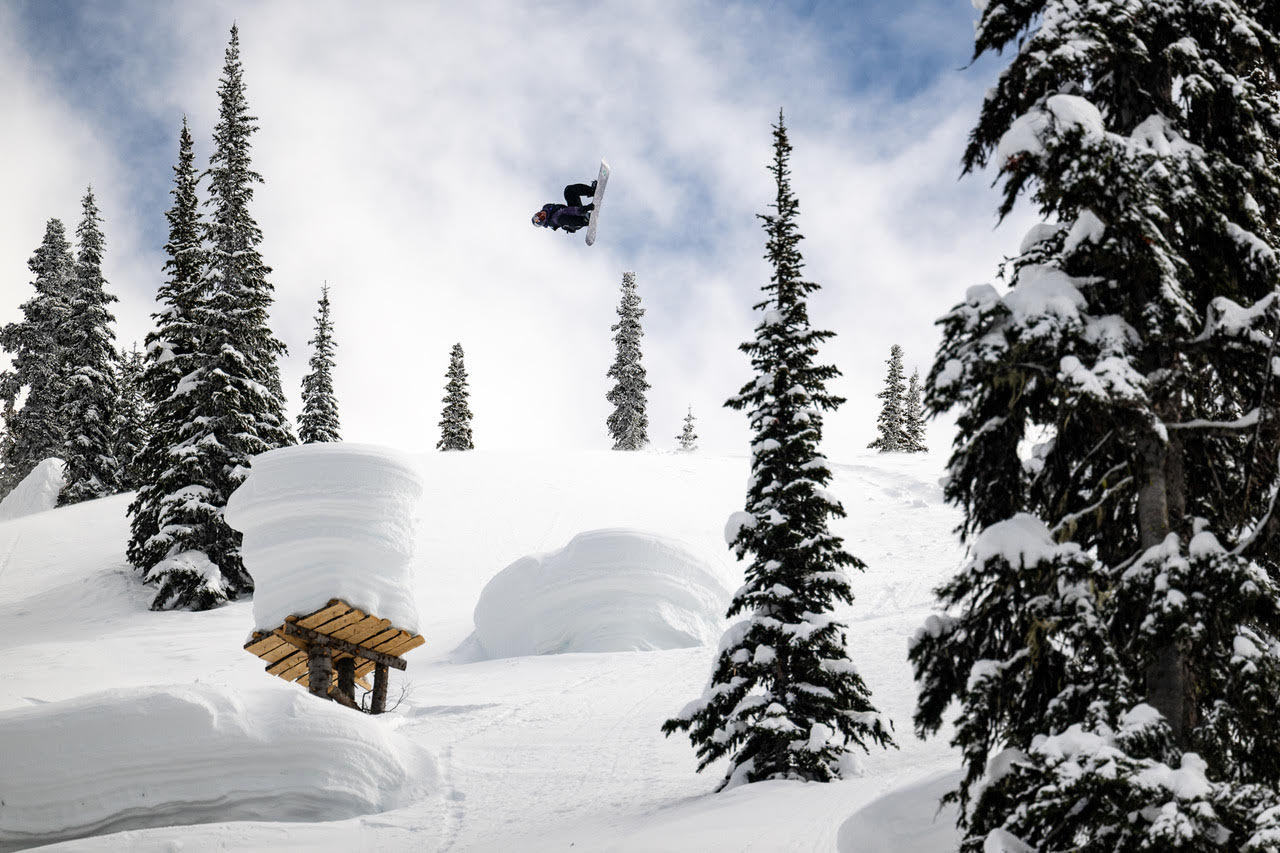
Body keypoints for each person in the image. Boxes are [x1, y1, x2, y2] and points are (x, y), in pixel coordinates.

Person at [531, 180, 597, 233]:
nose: (542, 214)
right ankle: (585, 220)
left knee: (568, 190)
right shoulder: (554, 218)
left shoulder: (546, 207)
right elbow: (568, 211)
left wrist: (582, 210)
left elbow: (568, 210)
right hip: (576, 220)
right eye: (542, 217)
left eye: (539, 214)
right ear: (544, 221)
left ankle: (591, 191)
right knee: (561, 219)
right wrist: (584, 209)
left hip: (574, 211)